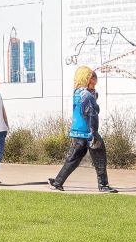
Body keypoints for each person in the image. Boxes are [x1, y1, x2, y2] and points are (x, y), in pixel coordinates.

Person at [50, 65, 117, 193]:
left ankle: (58, 181)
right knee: (100, 158)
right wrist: (94, 133)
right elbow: (92, 114)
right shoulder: (87, 95)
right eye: (91, 77)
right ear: (86, 78)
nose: (94, 80)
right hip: (88, 132)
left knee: (73, 158)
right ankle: (103, 185)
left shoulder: (77, 92)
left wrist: (92, 92)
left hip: (77, 131)